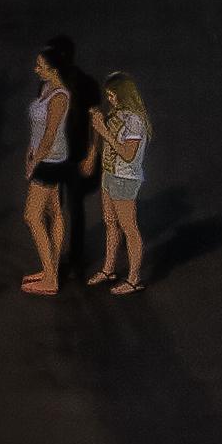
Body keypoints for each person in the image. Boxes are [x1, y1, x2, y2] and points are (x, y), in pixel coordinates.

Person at [18, 34, 86, 294]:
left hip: (50, 161)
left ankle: (50, 278)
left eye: (40, 66)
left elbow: (49, 135)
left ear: (53, 69)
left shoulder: (59, 97)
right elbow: (37, 132)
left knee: (32, 216)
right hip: (43, 157)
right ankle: (50, 270)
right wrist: (29, 152)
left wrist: (34, 163)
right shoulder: (46, 89)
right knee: (53, 212)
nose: (36, 69)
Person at [92, 67, 155, 293]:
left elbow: (128, 154)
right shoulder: (116, 114)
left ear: (123, 94)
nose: (109, 98)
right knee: (110, 222)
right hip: (109, 174)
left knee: (129, 227)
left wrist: (103, 130)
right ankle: (109, 269)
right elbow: (106, 146)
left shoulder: (134, 121)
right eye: (108, 95)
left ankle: (134, 278)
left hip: (124, 178)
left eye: (112, 94)